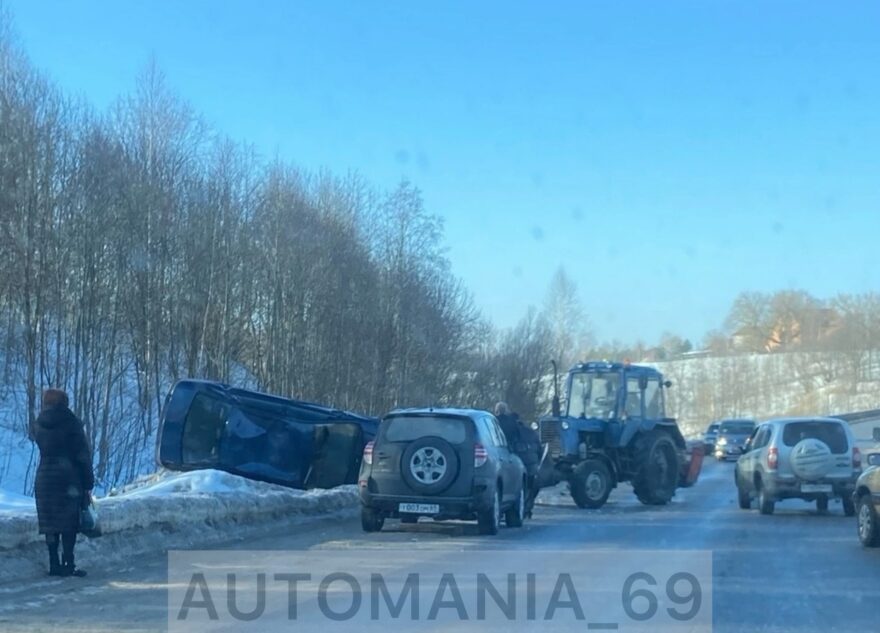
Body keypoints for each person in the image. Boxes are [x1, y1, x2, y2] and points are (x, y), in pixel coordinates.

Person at [30, 389, 94, 577]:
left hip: (44, 477)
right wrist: (88, 482)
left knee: (50, 522)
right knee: (69, 523)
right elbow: (82, 455)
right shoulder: (71, 423)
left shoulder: (39, 424)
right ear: (64, 403)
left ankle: (54, 563)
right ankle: (68, 563)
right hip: (68, 478)